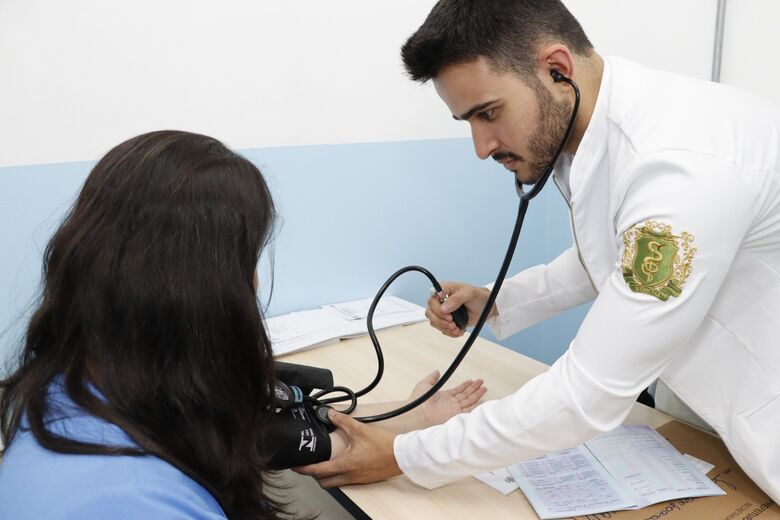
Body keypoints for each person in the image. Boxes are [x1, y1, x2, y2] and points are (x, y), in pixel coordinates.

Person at [296, 0, 780, 502]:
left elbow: (586, 393)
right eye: (468, 120)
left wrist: (404, 454)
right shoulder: (601, 126)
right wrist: (499, 300)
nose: (481, 146)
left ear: (557, 68)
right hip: (707, 401)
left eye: (488, 113)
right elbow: (620, 255)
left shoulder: (681, 169)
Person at [0, 130, 486, 519]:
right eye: (246, 259)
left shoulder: (80, 387)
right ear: (198, 288)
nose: (253, 283)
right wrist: (413, 446)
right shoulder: (131, 499)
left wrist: (415, 416)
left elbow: (245, 431)